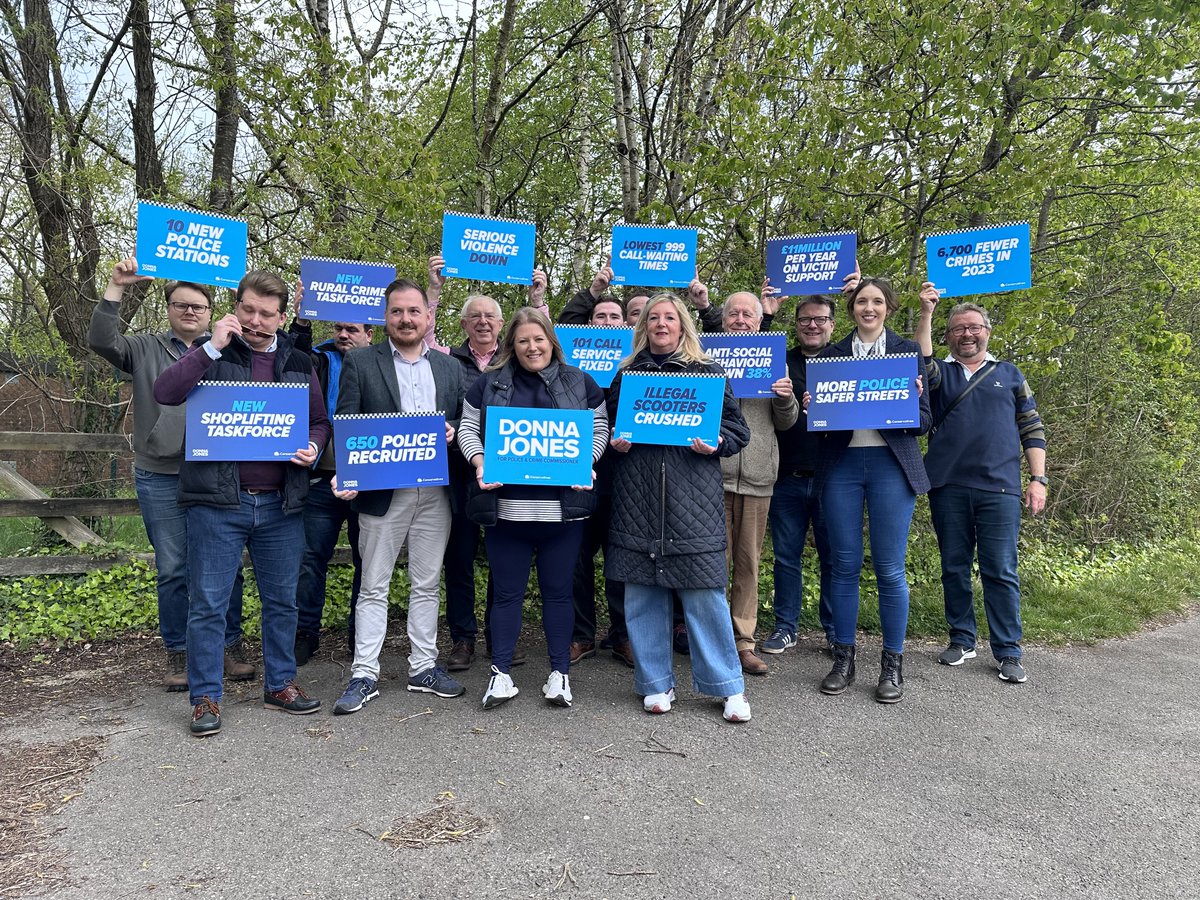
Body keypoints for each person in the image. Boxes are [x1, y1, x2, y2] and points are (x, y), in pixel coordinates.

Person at [153, 270, 330, 736]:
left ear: (281, 317)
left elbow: (319, 421)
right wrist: (211, 346)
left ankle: (281, 685)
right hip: (218, 503)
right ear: (237, 306)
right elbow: (165, 393)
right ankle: (206, 696)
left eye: (266, 314)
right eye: (248, 309)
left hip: (281, 504)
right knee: (208, 604)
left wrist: (312, 448)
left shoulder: (299, 361)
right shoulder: (210, 352)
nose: (255, 320)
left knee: (282, 602)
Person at [88, 258, 254, 691]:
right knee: (174, 567)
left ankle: (229, 645)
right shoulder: (143, 348)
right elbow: (101, 340)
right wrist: (115, 287)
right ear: (168, 308)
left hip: (216, 472)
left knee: (227, 565)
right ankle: (178, 652)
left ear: (211, 311)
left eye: (199, 306)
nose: (190, 312)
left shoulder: (227, 348)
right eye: (181, 304)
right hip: (160, 474)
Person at [607, 293, 753, 723]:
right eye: (654, 318)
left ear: (683, 325)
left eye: (670, 317)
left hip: (694, 500)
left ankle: (727, 687)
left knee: (705, 596)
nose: (661, 324)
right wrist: (617, 444)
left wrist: (718, 444)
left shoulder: (708, 374)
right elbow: (612, 428)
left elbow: (737, 430)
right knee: (643, 594)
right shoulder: (626, 374)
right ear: (644, 326)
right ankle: (655, 684)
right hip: (639, 499)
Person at [458, 308, 609, 708]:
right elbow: (467, 429)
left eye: (538, 339)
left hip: (563, 513)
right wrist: (479, 461)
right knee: (506, 595)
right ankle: (501, 674)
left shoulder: (580, 381)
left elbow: (599, 429)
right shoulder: (489, 384)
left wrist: (586, 461)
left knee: (559, 595)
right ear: (512, 345)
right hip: (508, 512)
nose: (532, 347)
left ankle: (560, 674)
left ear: (551, 341)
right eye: (523, 340)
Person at [329, 278, 466, 714]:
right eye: (397, 312)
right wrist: (348, 473)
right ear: (384, 318)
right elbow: (346, 421)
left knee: (427, 583)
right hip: (382, 491)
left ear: (428, 317)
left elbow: (466, 425)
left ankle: (422, 667)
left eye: (414, 312)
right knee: (373, 585)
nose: (406, 319)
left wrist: (452, 432)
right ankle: (364, 673)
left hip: (435, 493)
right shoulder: (361, 362)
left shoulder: (450, 368)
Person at [915, 286, 1047, 684]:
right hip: (948, 484)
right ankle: (962, 638)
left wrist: (1038, 479)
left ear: (987, 331)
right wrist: (926, 312)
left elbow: (1032, 427)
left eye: (974, 327)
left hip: (1001, 488)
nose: (966, 334)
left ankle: (1008, 650)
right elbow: (922, 359)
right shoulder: (940, 374)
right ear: (948, 335)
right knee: (954, 567)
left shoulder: (1009, 373)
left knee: (1000, 570)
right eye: (958, 329)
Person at [809, 276, 931, 704]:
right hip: (842, 465)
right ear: (852, 308)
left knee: (889, 568)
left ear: (889, 309)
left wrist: (915, 400)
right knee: (843, 566)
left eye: (878, 302)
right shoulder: (830, 356)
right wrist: (813, 409)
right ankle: (843, 659)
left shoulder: (907, 353)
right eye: (863, 301)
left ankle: (891, 665)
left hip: (891, 467)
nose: (869, 308)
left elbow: (924, 422)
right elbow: (821, 428)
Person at [440, 272, 549, 671]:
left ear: (502, 326)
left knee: (505, 561)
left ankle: (499, 637)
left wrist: (537, 300)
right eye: (475, 316)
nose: (484, 321)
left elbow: (545, 340)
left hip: (513, 476)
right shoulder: (449, 358)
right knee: (461, 558)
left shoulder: (515, 361)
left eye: (491, 316)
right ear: (464, 324)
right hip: (463, 473)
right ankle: (463, 639)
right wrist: (434, 290)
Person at [717, 288, 797, 675]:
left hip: (759, 478)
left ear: (759, 320)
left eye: (748, 314)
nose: (741, 320)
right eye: (734, 314)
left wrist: (785, 398)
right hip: (712, 478)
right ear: (723, 319)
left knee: (748, 565)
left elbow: (787, 422)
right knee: (712, 565)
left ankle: (743, 643)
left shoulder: (773, 360)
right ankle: (710, 640)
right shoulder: (706, 360)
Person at [557, 269, 635, 666]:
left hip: (623, 472)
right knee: (578, 557)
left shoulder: (635, 365)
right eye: (600, 317)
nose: (607, 323)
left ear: (626, 326)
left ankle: (622, 635)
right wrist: (593, 292)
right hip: (575, 468)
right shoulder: (571, 367)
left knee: (621, 556)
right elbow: (563, 327)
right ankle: (582, 634)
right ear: (589, 324)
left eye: (614, 318)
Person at [288, 311, 373, 665]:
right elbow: (289, 355)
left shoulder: (380, 366)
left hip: (367, 482)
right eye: (338, 327)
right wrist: (301, 322)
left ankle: (361, 635)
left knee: (366, 563)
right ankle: (306, 633)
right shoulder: (317, 360)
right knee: (310, 561)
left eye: (351, 328)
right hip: (322, 479)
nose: (343, 334)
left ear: (370, 333)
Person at [762, 294, 839, 653]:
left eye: (820, 319)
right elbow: (749, 358)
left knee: (834, 557)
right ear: (796, 324)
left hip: (835, 477)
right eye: (806, 319)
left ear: (832, 325)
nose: (812, 325)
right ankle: (785, 627)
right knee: (786, 557)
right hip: (786, 476)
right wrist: (765, 315)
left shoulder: (846, 360)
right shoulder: (780, 359)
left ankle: (836, 628)